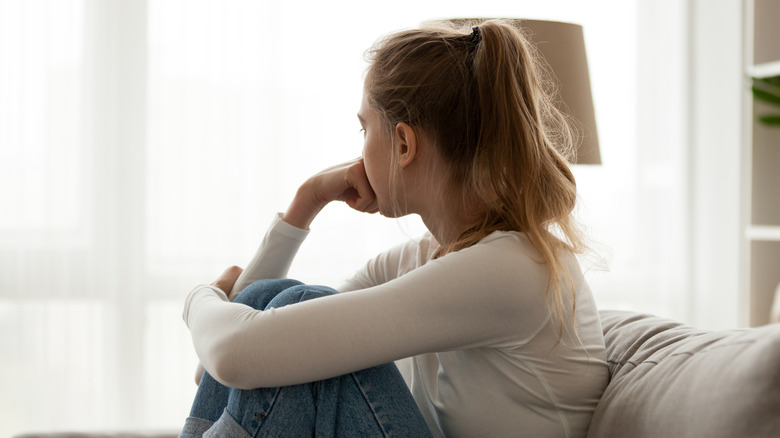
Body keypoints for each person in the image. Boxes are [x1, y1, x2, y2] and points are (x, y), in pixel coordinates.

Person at [180, 19, 608, 438]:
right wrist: (306, 201)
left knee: (300, 303)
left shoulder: (511, 269)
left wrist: (200, 299)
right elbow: (224, 365)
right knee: (278, 302)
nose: (359, 150)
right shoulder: (428, 257)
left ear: (404, 145)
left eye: (364, 128)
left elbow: (234, 353)